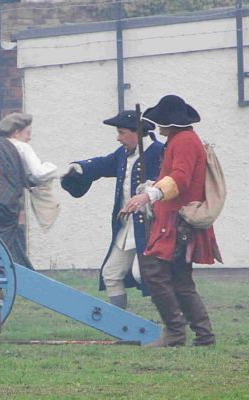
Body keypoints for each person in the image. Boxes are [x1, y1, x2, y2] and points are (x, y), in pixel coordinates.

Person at [121, 95, 220, 347]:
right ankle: (204, 336)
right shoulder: (182, 139)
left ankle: (175, 331)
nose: (157, 125)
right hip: (175, 219)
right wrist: (152, 187)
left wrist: (148, 195)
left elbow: (180, 179)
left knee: (153, 272)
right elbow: (174, 177)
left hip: (176, 221)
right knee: (181, 281)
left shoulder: (184, 141)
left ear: (169, 121)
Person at [60, 110, 163, 309]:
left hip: (150, 228)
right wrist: (80, 167)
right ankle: (121, 323)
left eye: (122, 132)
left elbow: (168, 184)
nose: (118, 138)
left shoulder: (158, 152)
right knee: (111, 273)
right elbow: (104, 164)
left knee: (144, 275)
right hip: (127, 227)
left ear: (136, 132)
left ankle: (174, 319)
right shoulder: (123, 153)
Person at [0, 113, 60, 271]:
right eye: (27, 133)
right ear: (16, 132)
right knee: (8, 242)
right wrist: (54, 169)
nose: (29, 138)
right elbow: (38, 173)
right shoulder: (22, 147)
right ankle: (7, 270)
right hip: (8, 206)